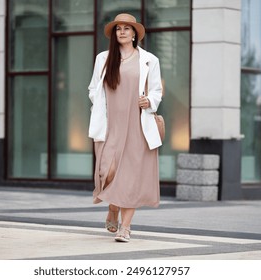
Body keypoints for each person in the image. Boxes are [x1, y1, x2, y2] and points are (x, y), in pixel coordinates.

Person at [88, 13, 163, 242]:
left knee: (131, 178)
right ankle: (113, 207)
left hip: (137, 126)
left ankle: (125, 228)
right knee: (107, 171)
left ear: (134, 34)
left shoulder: (149, 60)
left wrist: (149, 101)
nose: (121, 31)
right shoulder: (103, 59)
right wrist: (100, 103)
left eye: (126, 28)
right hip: (110, 125)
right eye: (118, 28)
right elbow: (93, 88)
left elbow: (157, 90)